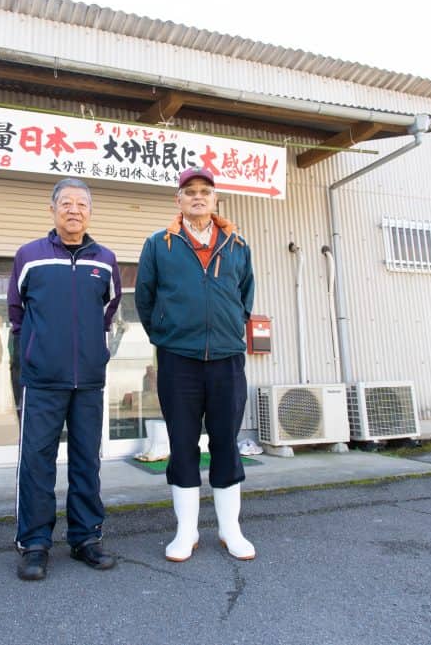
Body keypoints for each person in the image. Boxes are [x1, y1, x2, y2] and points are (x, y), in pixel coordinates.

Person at [135, 166, 256, 562]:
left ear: (215, 198)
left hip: (226, 359)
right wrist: (166, 335)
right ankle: (186, 531)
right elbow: (145, 299)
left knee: (226, 443)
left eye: (205, 190)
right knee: (182, 442)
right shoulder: (159, 244)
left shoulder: (237, 244)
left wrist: (228, 328)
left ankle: (229, 529)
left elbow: (245, 296)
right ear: (179, 200)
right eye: (190, 191)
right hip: (178, 360)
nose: (198, 197)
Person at [7, 177, 122, 581]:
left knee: (87, 459)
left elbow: (108, 310)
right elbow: (17, 313)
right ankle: (34, 544)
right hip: (42, 379)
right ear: (53, 209)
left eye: (82, 204)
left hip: (88, 379)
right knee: (36, 461)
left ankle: (86, 537)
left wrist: (93, 349)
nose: (74, 210)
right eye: (66, 203)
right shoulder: (30, 256)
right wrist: (34, 352)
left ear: (90, 211)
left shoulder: (104, 260)